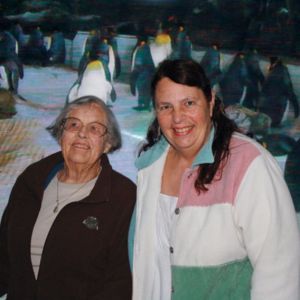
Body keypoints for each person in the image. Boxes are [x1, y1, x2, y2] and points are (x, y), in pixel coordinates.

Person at [131, 59, 300, 300]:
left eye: (189, 103)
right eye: (166, 107)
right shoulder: (150, 167)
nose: (177, 118)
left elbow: (279, 269)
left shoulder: (249, 164)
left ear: (210, 102)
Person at [0, 96, 136, 299]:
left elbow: (120, 283)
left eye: (94, 128)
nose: (82, 134)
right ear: (61, 133)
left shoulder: (122, 196)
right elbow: (4, 257)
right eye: (73, 125)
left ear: (107, 143)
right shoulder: (31, 180)